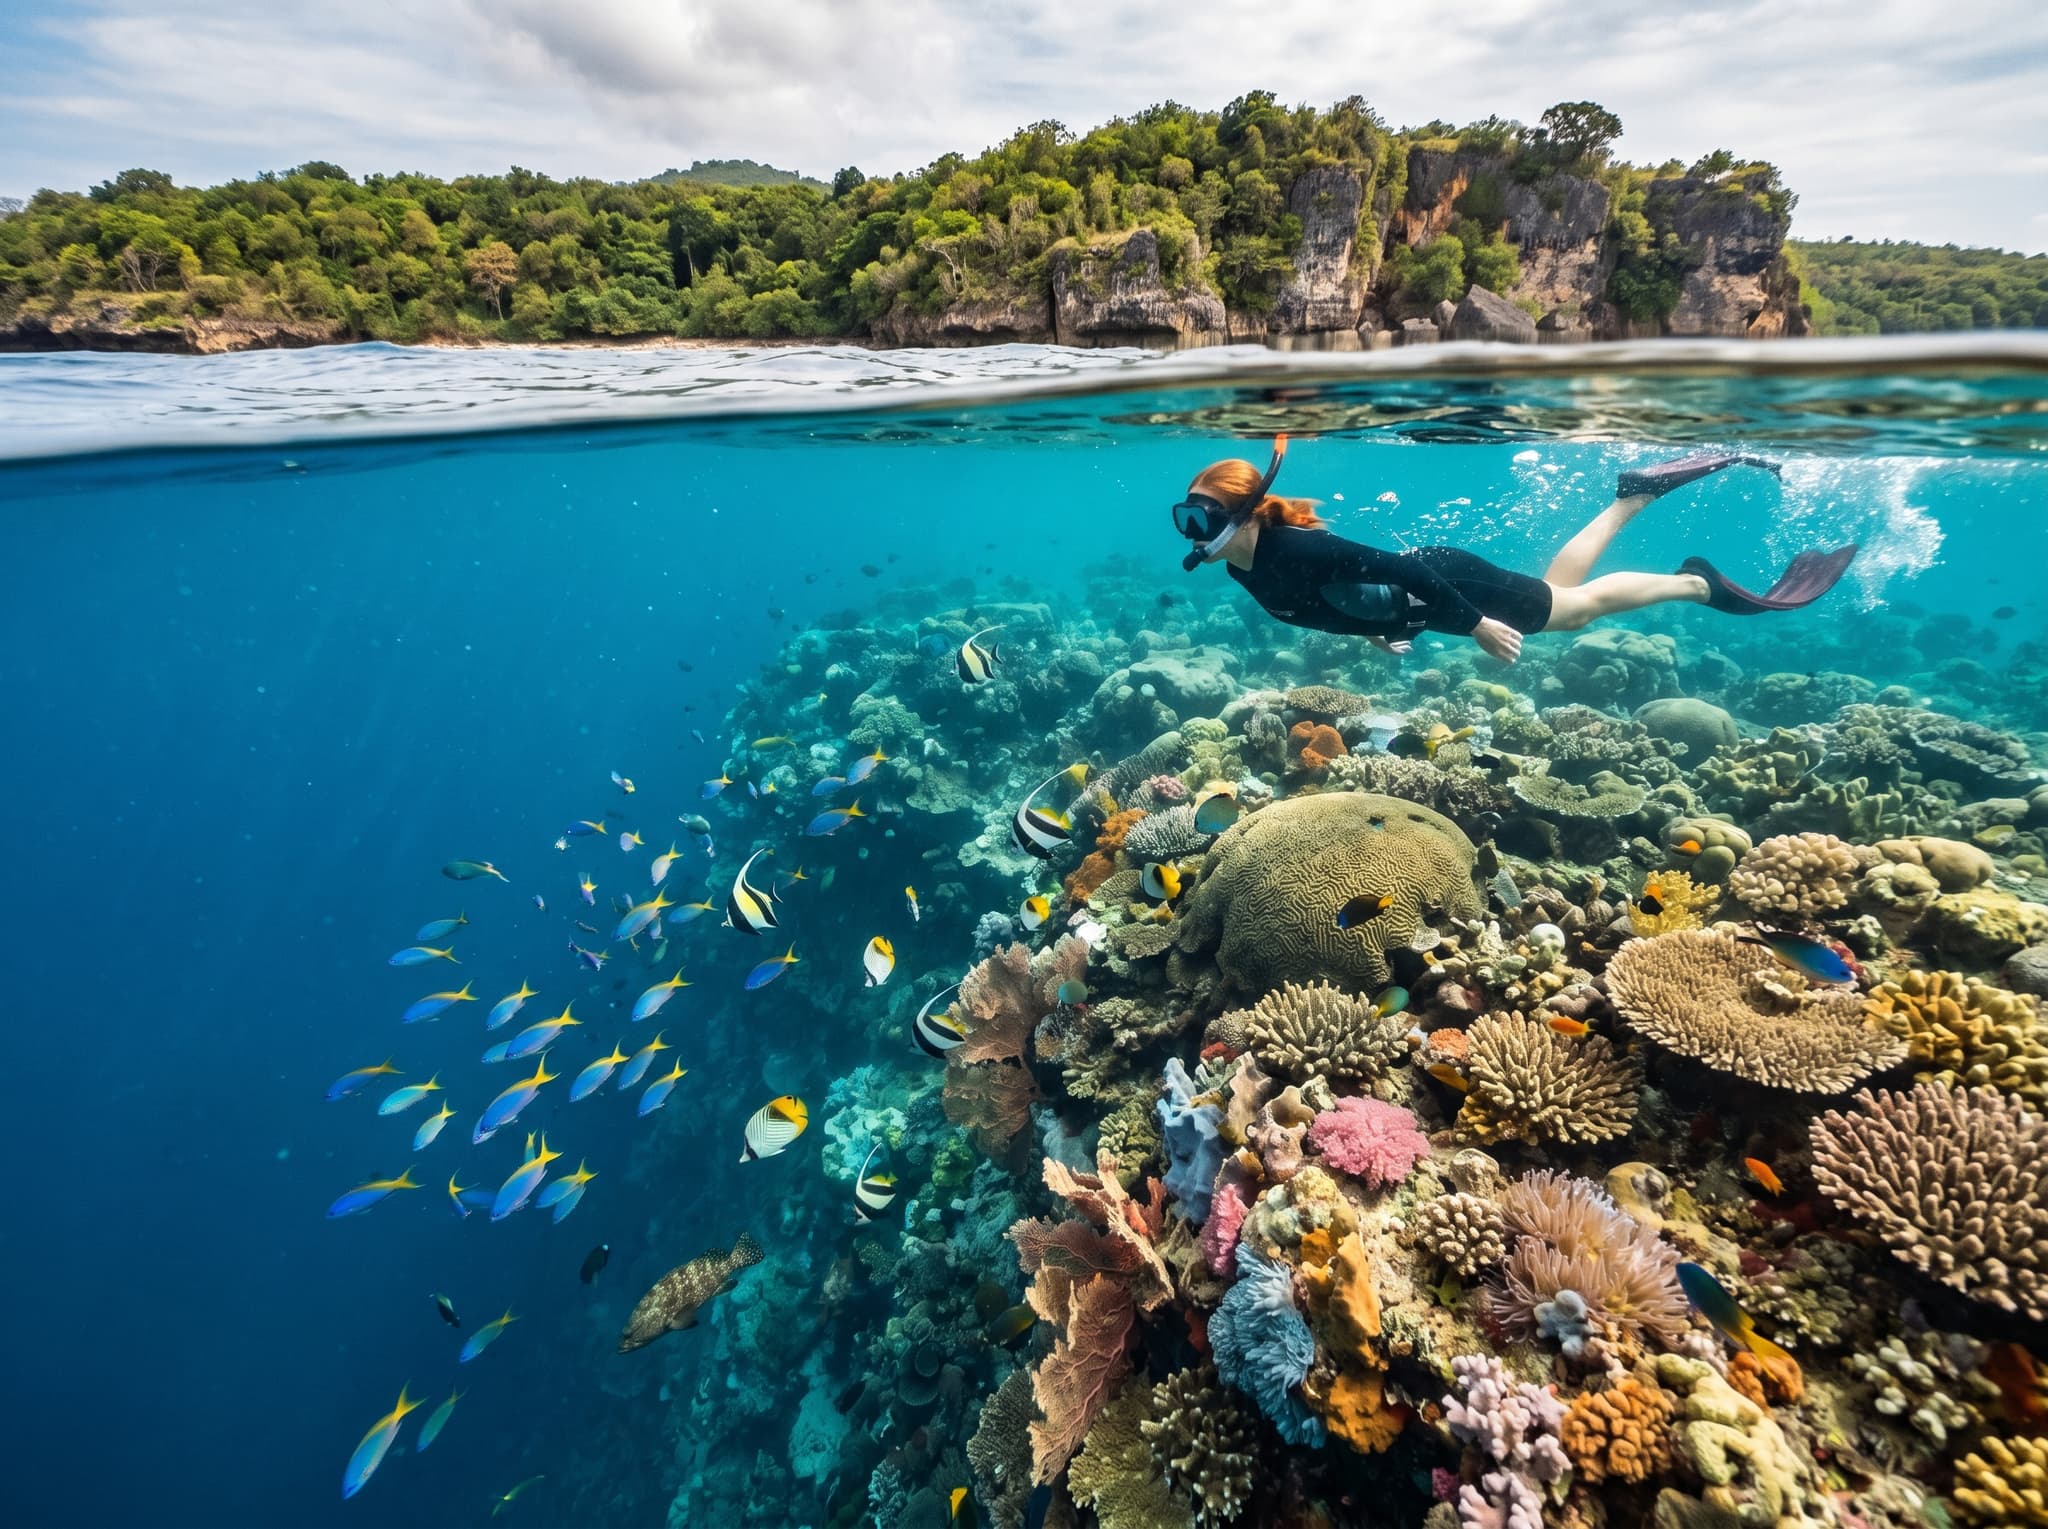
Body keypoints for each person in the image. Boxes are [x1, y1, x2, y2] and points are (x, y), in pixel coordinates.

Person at [1172, 436, 1857, 662]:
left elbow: (1402, 568)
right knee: (1556, 594)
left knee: (1573, 610)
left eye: (1201, 520)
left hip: (1444, 585)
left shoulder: (1294, 549)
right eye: (1186, 522)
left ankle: (1698, 586)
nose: (1192, 536)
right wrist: (1377, 631)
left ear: (1244, 516)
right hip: (1430, 598)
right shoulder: (1244, 568)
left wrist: (1473, 624)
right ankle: (1634, 494)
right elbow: (1325, 608)